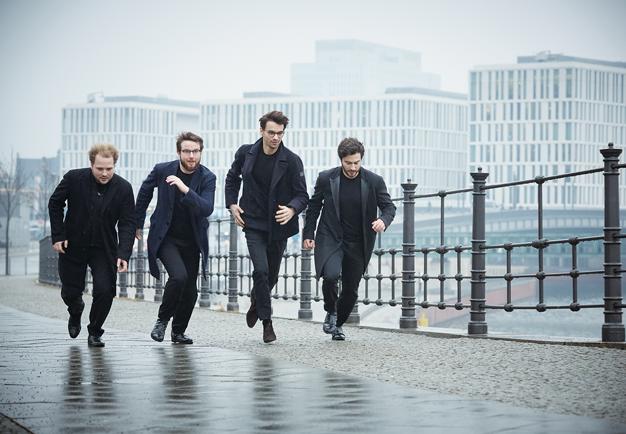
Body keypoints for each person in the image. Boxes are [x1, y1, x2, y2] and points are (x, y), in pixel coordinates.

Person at [225, 111, 308, 343]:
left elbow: (303, 195)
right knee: (260, 270)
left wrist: (292, 209)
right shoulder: (245, 153)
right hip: (252, 222)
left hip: (279, 226)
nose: (275, 138)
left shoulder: (291, 160)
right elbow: (232, 179)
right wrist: (232, 204)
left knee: (270, 278)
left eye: (280, 134)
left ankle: (256, 300)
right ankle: (267, 322)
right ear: (261, 130)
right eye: (271, 133)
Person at [303, 138, 396, 340]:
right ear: (341, 160)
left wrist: (383, 221)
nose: (353, 168)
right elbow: (313, 207)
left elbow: (389, 207)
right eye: (348, 163)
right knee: (330, 277)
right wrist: (308, 234)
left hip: (359, 241)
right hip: (330, 237)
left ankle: (337, 325)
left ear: (361, 159)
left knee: (351, 291)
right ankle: (331, 311)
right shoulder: (326, 178)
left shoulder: (374, 181)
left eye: (357, 162)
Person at [48, 144, 135, 347]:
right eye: (100, 169)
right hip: (73, 244)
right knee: (70, 292)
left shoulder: (123, 188)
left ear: (115, 165)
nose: (104, 173)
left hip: (104, 247)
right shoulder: (73, 178)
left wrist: (124, 253)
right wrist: (58, 235)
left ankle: (95, 331)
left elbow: (128, 223)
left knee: (105, 291)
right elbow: (55, 203)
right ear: (91, 165)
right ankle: (76, 310)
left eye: (109, 169)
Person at [135, 132, 216, 344]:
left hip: (192, 241)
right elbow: (144, 192)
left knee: (190, 292)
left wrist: (184, 188)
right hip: (166, 238)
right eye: (187, 151)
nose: (192, 156)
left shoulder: (208, 177)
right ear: (179, 152)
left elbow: (206, 208)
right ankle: (161, 322)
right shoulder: (163, 170)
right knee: (178, 276)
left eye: (196, 151)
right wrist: (137, 222)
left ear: (201, 152)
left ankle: (178, 332)